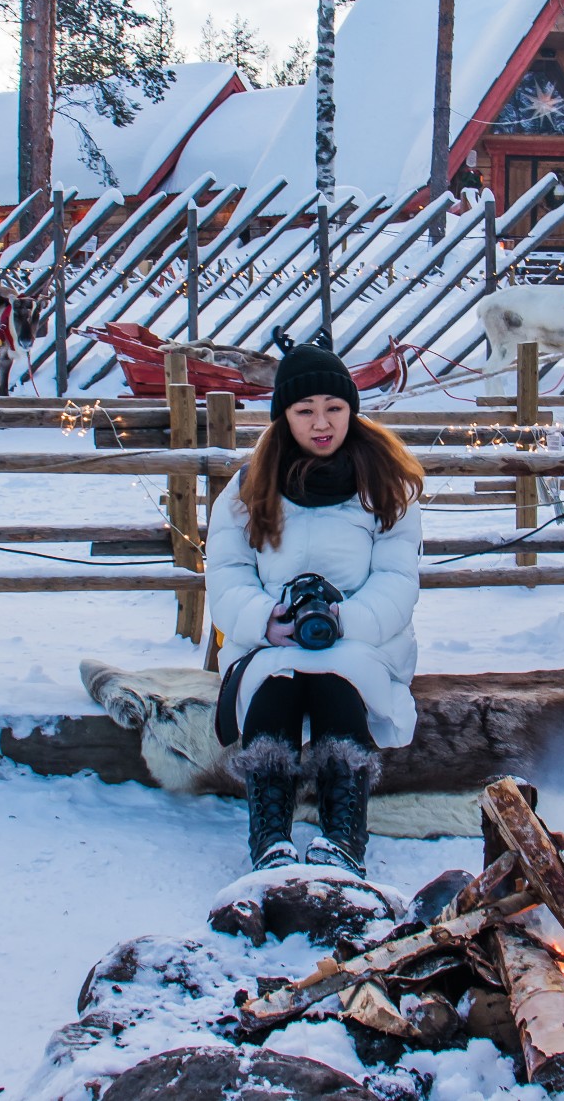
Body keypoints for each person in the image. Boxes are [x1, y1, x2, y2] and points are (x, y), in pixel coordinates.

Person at [205, 342, 425, 876]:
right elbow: (228, 572)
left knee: (335, 680)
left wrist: (347, 620)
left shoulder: (387, 486)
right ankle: (270, 835)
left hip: (362, 638)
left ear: (353, 409)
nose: (321, 423)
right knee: (274, 685)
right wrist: (266, 621)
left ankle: (343, 835)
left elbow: (397, 579)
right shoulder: (248, 488)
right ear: (284, 417)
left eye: (334, 408)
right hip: (267, 637)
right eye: (305, 411)